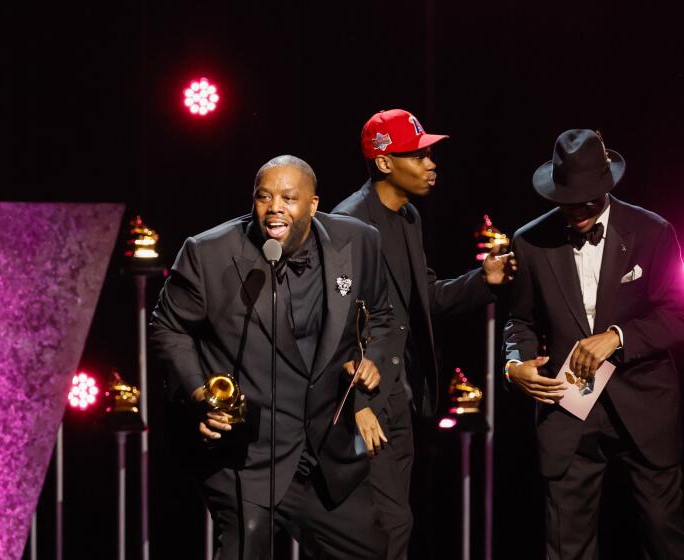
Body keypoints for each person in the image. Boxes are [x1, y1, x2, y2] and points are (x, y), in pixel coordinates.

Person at [151, 155, 392, 559]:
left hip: (322, 454)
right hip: (247, 458)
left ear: (314, 205)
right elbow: (168, 326)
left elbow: (381, 318)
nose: (274, 207)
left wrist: (370, 363)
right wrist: (199, 395)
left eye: (288, 197)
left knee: (370, 550)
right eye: (264, 197)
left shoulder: (359, 241)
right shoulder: (207, 253)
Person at [332, 109, 516, 559]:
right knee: (379, 526)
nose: (432, 164)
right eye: (418, 155)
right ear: (384, 163)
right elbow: (332, 325)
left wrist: (483, 280)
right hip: (362, 402)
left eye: (430, 154)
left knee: (394, 524)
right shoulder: (349, 224)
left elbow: (423, 299)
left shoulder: (409, 218)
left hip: (399, 396)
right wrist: (357, 404)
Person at [504, 129, 684, 559]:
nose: (578, 208)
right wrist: (517, 363)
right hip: (567, 409)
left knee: (665, 536)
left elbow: (677, 315)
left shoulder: (651, 231)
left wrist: (617, 338)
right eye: (568, 197)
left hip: (644, 407)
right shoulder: (529, 241)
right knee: (567, 545)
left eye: (588, 197)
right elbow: (519, 321)